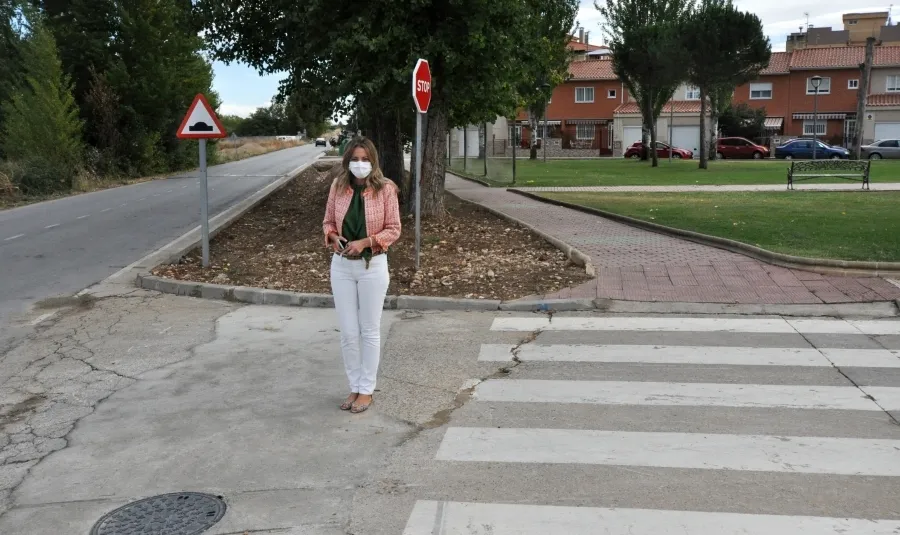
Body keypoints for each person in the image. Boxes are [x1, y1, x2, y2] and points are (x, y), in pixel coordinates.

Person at [322, 137, 401, 413]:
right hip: (341, 266)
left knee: (368, 330)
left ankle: (367, 390)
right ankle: (354, 386)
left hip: (372, 266)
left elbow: (394, 229)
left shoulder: (386, 189)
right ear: (347, 161)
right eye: (355, 159)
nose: (360, 164)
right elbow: (328, 221)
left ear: (373, 161)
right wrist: (332, 236)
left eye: (365, 159)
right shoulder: (338, 186)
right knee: (347, 331)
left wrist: (365, 242)